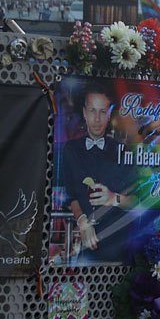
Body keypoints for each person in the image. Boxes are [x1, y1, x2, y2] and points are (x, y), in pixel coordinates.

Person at [58, 86, 135, 264]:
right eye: (92, 111)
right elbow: (71, 195)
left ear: (109, 115)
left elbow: (138, 201)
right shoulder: (71, 149)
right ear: (84, 113)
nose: (97, 119)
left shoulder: (123, 151)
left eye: (102, 111)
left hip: (121, 244)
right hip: (88, 246)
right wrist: (82, 221)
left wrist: (113, 198)